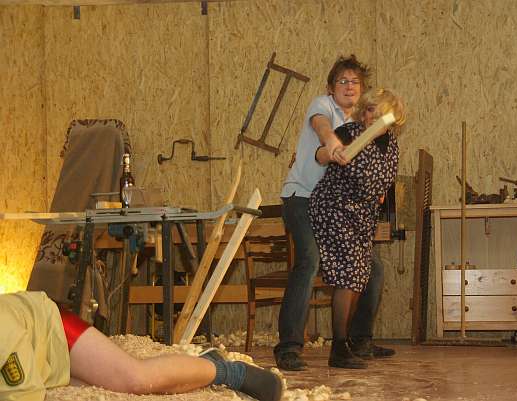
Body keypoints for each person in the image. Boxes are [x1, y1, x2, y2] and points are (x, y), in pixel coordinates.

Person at [275, 55, 395, 371]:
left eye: (355, 82)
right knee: (309, 260)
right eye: (342, 81)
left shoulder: (363, 122)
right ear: (331, 88)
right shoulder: (323, 105)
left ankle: (359, 341)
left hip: (337, 208)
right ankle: (288, 347)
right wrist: (331, 144)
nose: (349, 86)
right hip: (303, 198)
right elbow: (322, 128)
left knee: (373, 268)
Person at [0, 291, 282, 401]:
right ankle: (197, 369)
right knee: (103, 386)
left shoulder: (4, 335)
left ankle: (227, 371)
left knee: (135, 378)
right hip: (30, 350)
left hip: (51, 329)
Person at [310, 88, 405, 368]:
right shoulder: (350, 133)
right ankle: (339, 348)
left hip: (362, 216)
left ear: (392, 118)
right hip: (334, 208)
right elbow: (319, 155)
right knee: (349, 273)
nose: (370, 115)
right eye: (368, 109)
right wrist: (331, 152)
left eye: (377, 111)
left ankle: (353, 342)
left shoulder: (391, 145)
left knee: (362, 274)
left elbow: (382, 185)